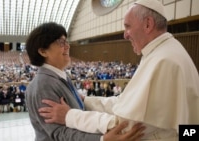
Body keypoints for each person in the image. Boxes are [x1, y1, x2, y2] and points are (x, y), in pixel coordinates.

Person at [38, 0, 199, 140]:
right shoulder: (163, 52)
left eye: (128, 27)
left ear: (148, 24)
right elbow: (124, 103)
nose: (125, 35)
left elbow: (125, 127)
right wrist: (86, 100)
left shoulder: (164, 61)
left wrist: (69, 116)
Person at [25, 22, 145, 141]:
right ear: (43, 51)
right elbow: (58, 133)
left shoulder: (61, 76)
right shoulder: (44, 84)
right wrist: (102, 139)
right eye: (61, 42)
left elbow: (77, 112)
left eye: (66, 42)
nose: (67, 46)